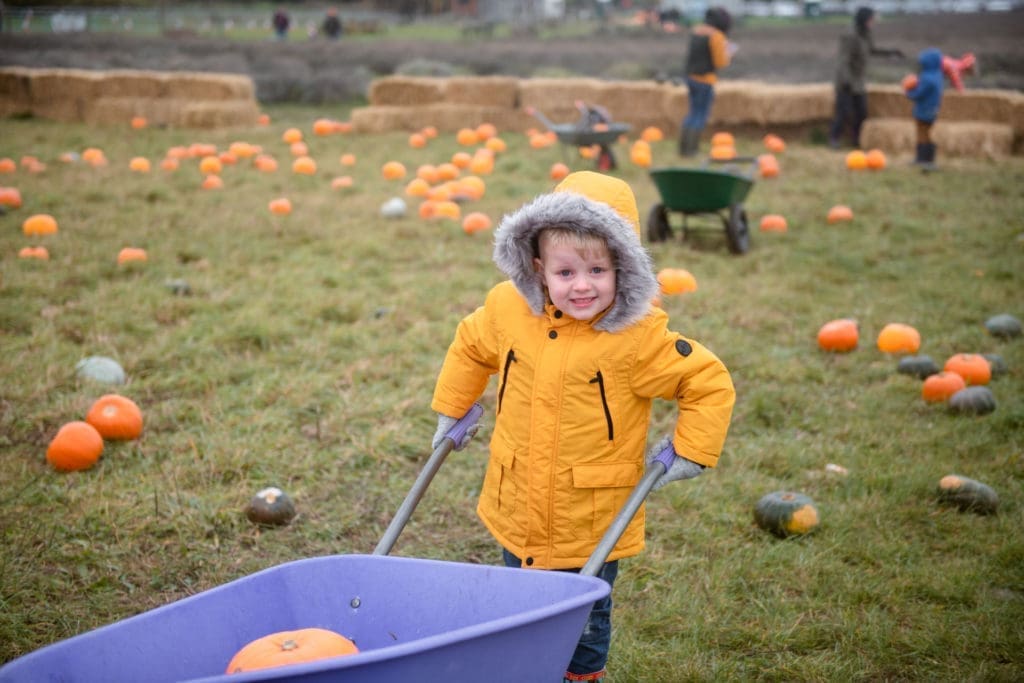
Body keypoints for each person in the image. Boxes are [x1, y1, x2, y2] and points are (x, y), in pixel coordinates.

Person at [430, 171, 736, 682]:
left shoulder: (636, 337)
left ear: (625, 267)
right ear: (538, 267)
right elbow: (470, 345)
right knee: (522, 601)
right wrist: (453, 407)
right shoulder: (508, 309)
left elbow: (707, 380)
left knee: (584, 622)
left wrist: (691, 449)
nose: (583, 285)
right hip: (517, 499)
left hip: (590, 517)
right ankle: (526, 662)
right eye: (566, 272)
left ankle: (579, 676)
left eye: (598, 269)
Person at [828, 6, 904, 149]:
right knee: (843, 112)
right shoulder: (850, 35)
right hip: (846, 81)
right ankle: (834, 138)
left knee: (861, 112)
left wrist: (890, 52)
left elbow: (871, 49)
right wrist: (846, 81)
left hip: (859, 81)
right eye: (871, 19)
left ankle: (857, 140)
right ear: (864, 20)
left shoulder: (866, 33)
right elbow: (843, 60)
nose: (873, 22)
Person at [678, 6, 736, 157]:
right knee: (700, 115)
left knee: (691, 113)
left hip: (690, 77)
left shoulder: (697, 31)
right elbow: (720, 62)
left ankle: (684, 148)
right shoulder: (716, 36)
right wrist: (728, 52)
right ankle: (692, 151)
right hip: (705, 80)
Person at [905, 48, 945, 171]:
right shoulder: (938, 76)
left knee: (922, 133)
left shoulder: (927, 78)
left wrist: (908, 92)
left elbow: (919, 94)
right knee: (925, 132)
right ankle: (924, 158)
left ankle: (925, 159)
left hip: (924, 111)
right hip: (933, 110)